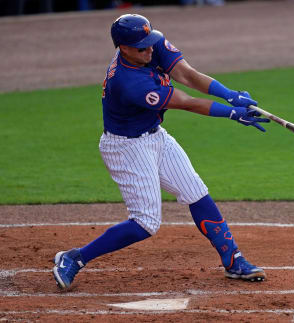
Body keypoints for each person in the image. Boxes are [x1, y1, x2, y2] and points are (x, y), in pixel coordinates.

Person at [52, 14, 269, 289]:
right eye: (142, 47)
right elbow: (187, 102)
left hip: (156, 136)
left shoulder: (150, 45)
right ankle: (75, 258)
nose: (150, 50)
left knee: (195, 191)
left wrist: (229, 93)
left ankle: (234, 261)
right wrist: (231, 113)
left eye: (150, 42)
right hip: (126, 147)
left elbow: (187, 75)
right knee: (145, 222)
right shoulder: (129, 82)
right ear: (124, 48)